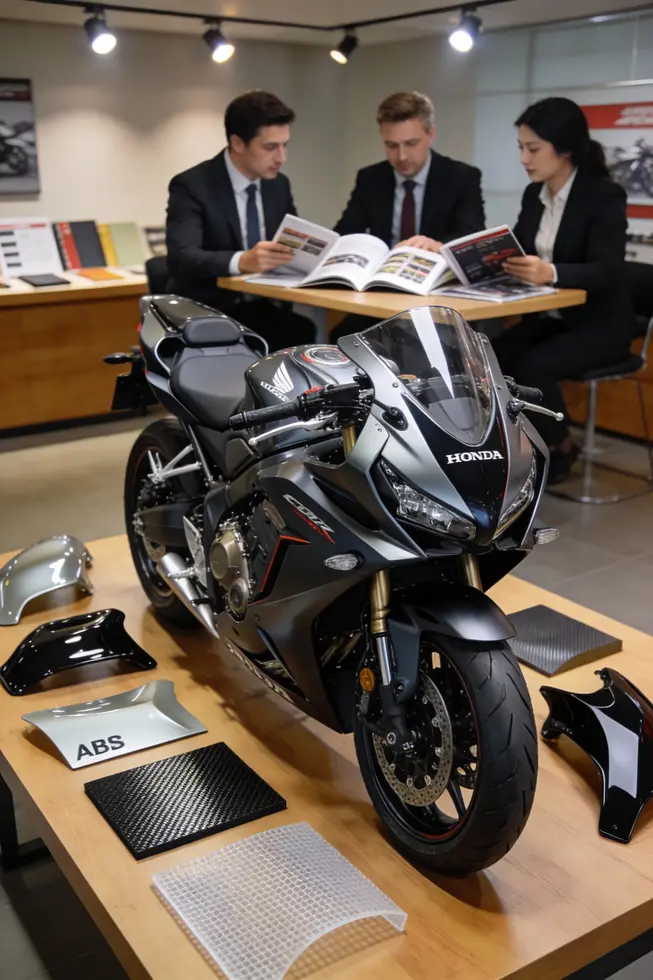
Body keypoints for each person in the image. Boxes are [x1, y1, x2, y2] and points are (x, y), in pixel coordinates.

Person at [492, 97, 635, 484]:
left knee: (533, 366)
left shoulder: (603, 195)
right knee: (492, 355)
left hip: (599, 325)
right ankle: (522, 443)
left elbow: (608, 270)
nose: (524, 158)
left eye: (533, 148)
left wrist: (549, 271)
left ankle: (559, 446)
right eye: (521, 148)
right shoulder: (533, 196)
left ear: (565, 148)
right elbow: (520, 250)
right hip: (553, 318)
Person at [166, 90, 315, 349]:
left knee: (306, 333)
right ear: (237, 143)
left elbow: (289, 243)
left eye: (284, 145)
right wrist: (242, 261)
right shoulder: (192, 185)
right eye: (270, 147)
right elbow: (183, 257)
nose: (281, 158)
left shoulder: (278, 185)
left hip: (265, 305)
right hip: (209, 312)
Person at [331, 91, 485, 340]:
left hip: (438, 300)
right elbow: (347, 230)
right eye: (391, 146)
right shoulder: (370, 178)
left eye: (411, 144)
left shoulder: (461, 177)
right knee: (343, 339)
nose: (401, 156)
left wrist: (438, 245)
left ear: (430, 135)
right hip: (382, 296)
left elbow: (472, 235)